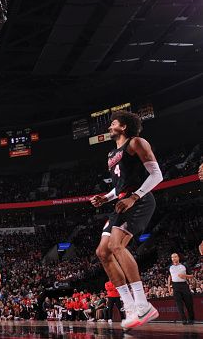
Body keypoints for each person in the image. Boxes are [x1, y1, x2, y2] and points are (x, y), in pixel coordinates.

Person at [91, 110, 162, 329]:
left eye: (113, 123)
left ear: (123, 127)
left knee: (116, 245)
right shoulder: (112, 154)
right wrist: (106, 197)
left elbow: (157, 175)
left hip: (139, 200)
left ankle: (143, 303)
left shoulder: (136, 143)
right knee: (102, 252)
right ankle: (130, 306)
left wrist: (134, 197)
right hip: (121, 202)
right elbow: (120, 186)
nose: (110, 125)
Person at [167, 253, 195, 325]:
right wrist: (169, 288)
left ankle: (191, 320)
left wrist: (184, 276)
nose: (174, 258)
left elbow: (192, 276)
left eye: (175, 257)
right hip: (175, 286)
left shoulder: (184, 266)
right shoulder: (170, 267)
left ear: (178, 258)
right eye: (172, 257)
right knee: (179, 305)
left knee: (189, 303)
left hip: (184, 285)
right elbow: (169, 277)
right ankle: (184, 320)